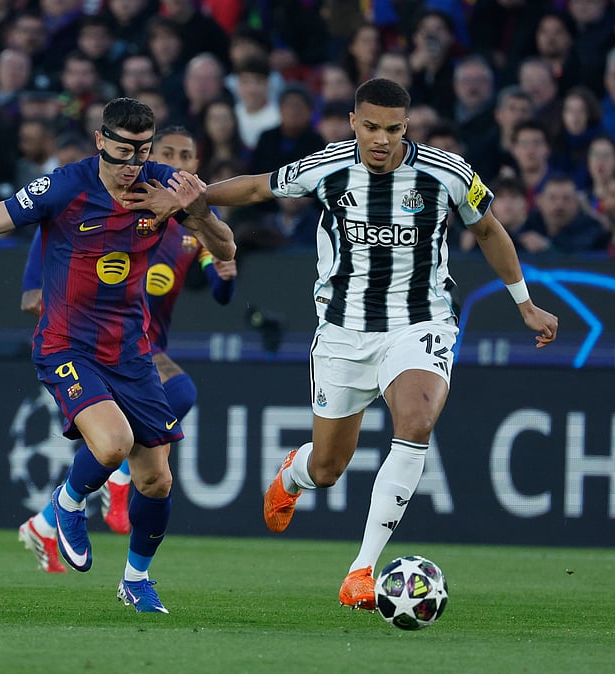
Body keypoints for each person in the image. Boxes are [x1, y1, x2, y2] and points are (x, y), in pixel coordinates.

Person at [190, 78, 558, 610]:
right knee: (327, 468)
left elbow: (490, 230)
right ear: (353, 122)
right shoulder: (328, 166)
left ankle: (361, 570)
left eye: (393, 129)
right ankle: (294, 474)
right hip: (343, 332)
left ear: (406, 127)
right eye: (371, 127)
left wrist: (524, 303)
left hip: (420, 323)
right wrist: (190, 202)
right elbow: (254, 189)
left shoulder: (448, 173)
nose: (381, 139)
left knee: (416, 422)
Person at [0, 97, 236, 613]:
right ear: (100, 142)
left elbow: (225, 252)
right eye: (124, 150)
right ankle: (67, 504)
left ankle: (135, 580)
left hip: (132, 352)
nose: (134, 162)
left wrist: (195, 209)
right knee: (113, 445)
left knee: (156, 478)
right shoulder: (65, 186)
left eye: (143, 150)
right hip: (66, 344)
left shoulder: (163, 186)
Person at [18, 126, 238, 568]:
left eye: (186, 155)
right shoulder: (96, 201)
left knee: (159, 437)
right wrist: (40, 290)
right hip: (86, 340)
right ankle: (107, 484)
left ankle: (52, 519)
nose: (176, 162)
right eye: (168, 153)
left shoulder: (188, 231)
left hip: (137, 345)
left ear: (196, 166)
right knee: (162, 408)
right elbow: (41, 261)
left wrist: (225, 273)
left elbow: (221, 281)